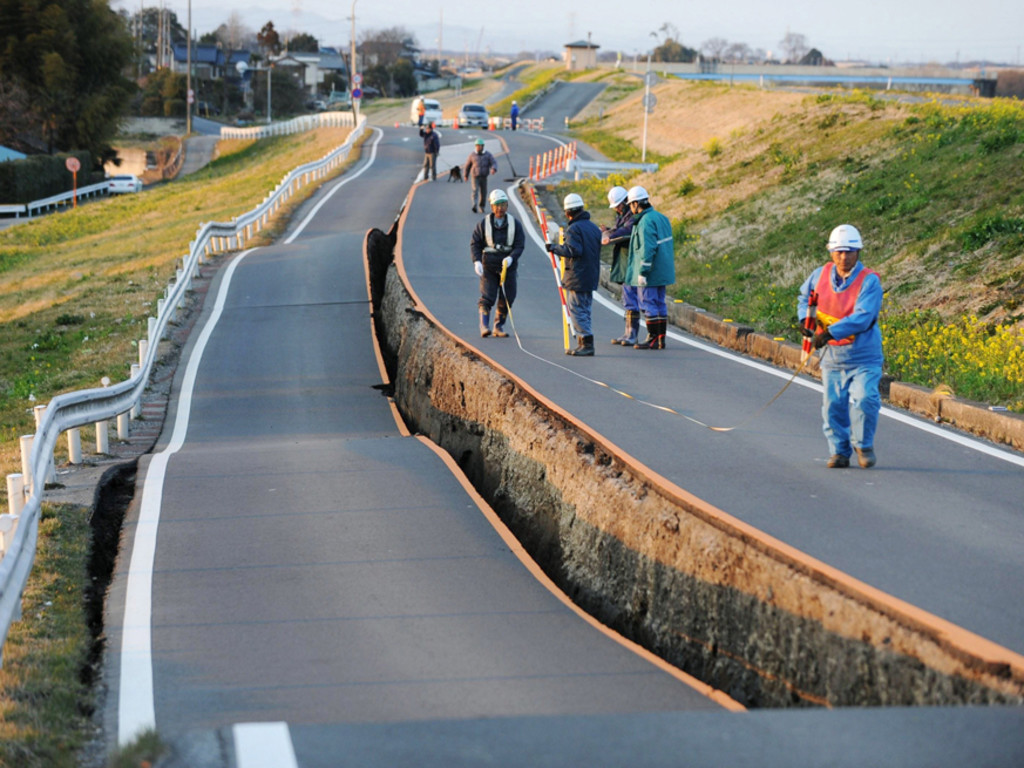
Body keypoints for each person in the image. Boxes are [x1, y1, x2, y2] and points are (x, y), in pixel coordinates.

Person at [798, 224, 884, 469]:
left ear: (858, 252)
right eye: (839, 252)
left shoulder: (869, 281)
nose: (844, 257)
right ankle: (839, 451)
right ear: (831, 252)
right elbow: (805, 298)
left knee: (865, 399)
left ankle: (863, 445)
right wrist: (805, 320)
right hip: (833, 358)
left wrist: (829, 333)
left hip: (864, 356)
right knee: (833, 406)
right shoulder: (819, 274)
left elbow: (864, 316)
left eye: (849, 251)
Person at [546, 193, 602, 356]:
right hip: (590, 275)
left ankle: (586, 342)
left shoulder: (574, 229)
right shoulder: (593, 227)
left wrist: (554, 248)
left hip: (578, 276)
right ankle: (583, 342)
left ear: (568, 212)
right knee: (585, 309)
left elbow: (573, 250)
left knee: (577, 310)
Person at [624, 186, 675, 350]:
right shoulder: (661, 218)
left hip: (650, 272)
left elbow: (647, 249)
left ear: (636, 204)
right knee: (660, 303)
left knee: (648, 303)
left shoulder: (645, 222)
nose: (630, 209)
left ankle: (652, 338)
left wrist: (643, 272)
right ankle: (661, 339)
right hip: (663, 270)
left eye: (631, 205)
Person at [471, 188, 525, 338]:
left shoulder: (515, 224)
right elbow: (475, 243)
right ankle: (484, 325)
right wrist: (477, 261)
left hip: (508, 267)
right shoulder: (483, 224)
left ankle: (498, 326)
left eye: (503, 204)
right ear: (492, 206)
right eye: (497, 205)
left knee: (508, 296)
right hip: (489, 265)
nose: (500, 208)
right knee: (487, 296)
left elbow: (519, 245)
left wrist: (512, 257)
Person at [601, 185, 638, 345]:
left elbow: (626, 231)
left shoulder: (632, 216)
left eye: (618, 206)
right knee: (627, 296)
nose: (616, 209)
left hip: (631, 261)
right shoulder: (623, 215)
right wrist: (609, 230)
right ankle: (627, 333)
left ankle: (632, 334)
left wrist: (610, 236)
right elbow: (619, 229)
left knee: (631, 297)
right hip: (625, 261)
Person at [463, 138, 498, 213]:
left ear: (483, 146)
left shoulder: (487, 154)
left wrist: (493, 169)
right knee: (475, 190)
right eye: (477, 146)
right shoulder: (472, 155)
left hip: (484, 176)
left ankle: (481, 206)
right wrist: (465, 175)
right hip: (475, 176)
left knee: (483, 192)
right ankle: (474, 205)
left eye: (480, 146)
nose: (479, 147)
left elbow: (493, 162)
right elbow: (467, 165)